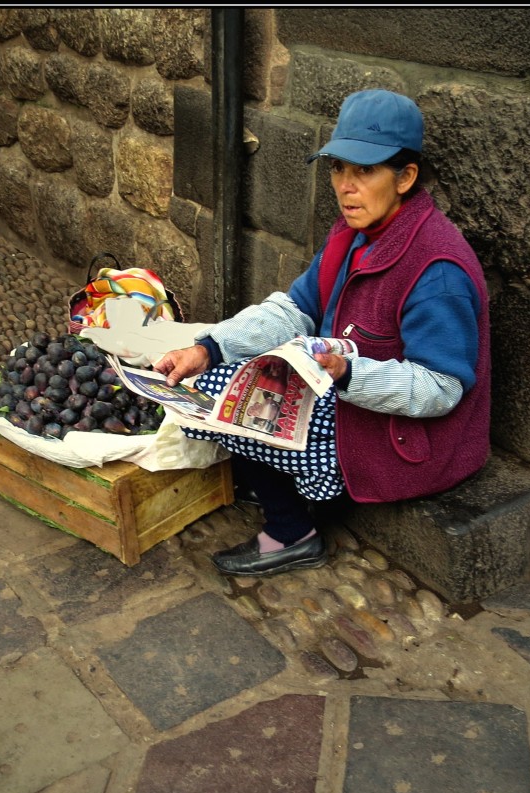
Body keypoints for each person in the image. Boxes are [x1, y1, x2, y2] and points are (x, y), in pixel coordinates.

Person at [154, 89, 490, 578]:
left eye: (365, 171)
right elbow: (296, 308)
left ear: (406, 178)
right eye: (338, 169)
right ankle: (276, 481)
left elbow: (442, 388)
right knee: (204, 382)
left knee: (240, 412)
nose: (346, 187)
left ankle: (292, 533)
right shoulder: (354, 235)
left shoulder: (436, 270)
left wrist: (351, 374)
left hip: (410, 439)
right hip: (346, 393)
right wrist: (207, 348)